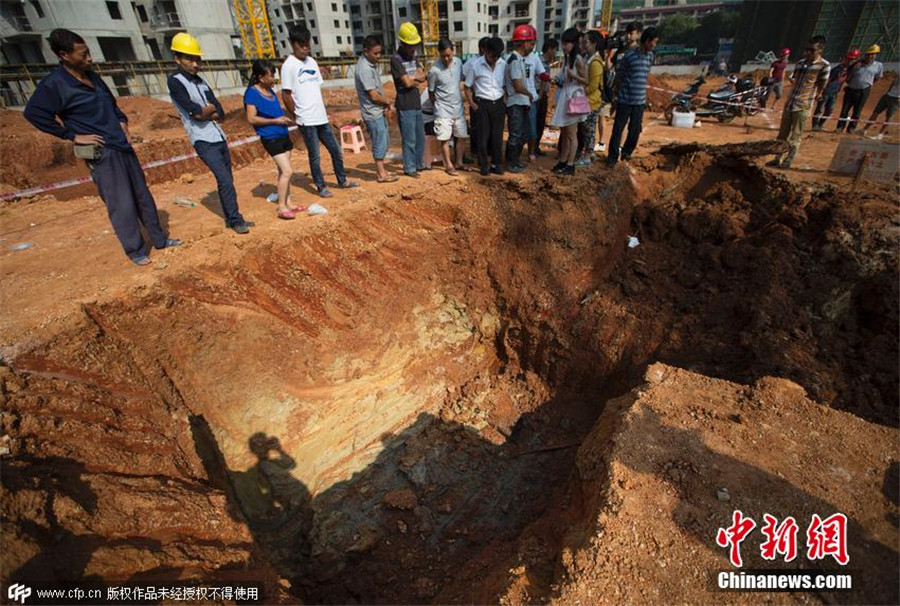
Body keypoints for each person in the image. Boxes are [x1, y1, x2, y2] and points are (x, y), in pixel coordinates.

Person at [24, 28, 179, 265]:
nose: (89, 58)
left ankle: (159, 239)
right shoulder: (54, 85)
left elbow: (112, 103)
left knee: (142, 196)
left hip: (121, 144)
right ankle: (136, 250)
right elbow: (34, 114)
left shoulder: (93, 76)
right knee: (120, 201)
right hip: (101, 152)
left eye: (88, 53)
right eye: (83, 54)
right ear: (64, 55)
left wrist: (122, 121)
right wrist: (72, 135)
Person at [167, 32, 253, 235]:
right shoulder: (176, 81)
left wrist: (207, 111)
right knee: (224, 179)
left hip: (218, 136)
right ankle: (235, 219)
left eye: (197, 59)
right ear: (177, 59)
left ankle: (231, 218)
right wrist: (205, 111)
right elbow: (195, 113)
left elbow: (220, 112)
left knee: (227, 180)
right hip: (202, 139)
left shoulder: (202, 82)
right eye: (190, 59)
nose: (195, 64)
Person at [281, 27, 358, 198]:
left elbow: (316, 90)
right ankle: (321, 186)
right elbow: (286, 95)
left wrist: (324, 112)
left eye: (307, 44)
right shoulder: (289, 66)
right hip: (306, 120)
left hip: (321, 117)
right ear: (293, 44)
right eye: (301, 45)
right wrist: (297, 116)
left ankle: (342, 180)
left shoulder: (312, 62)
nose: (305, 48)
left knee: (336, 150)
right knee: (315, 156)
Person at [244, 61, 303, 220]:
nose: (273, 78)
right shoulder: (252, 93)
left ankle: (288, 202)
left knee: (283, 171)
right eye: (270, 75)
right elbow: (251, 118)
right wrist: (275, 121)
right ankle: (281, 207)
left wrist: (282, 120)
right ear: (260, 77)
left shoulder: (270, 91)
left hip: (283, 134)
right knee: (287, 171)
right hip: (270, 137)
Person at [766, 36, 830, 169]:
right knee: (783, 133)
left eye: (812, 50)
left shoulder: (824, 66)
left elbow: (822, 85)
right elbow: (794, 79)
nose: (808, 53)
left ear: (821, 50)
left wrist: (816, 96)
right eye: (807, 49)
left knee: (795, 134)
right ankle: (777, 158)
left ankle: (789, 159)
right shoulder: (800, 63)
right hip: (790, 102)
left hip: (803, 105)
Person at [606, 27, 658, 168]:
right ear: (647, 41)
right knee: (618, 129)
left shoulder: (650, 57)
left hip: (639, 101)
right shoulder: (629, 56)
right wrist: (615, 96)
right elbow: (619, 77)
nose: (654, 45)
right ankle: (612, 157)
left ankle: (627, 153)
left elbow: (645, 75)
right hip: (625, 100)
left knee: (635, 130)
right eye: (653, 42)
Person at [354, 35, 398, 183]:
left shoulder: (370, 64)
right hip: (372, 112)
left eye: (380, 53)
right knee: (379, 142)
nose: (379, 56)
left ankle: (382, 171)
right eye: (376, 53)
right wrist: (387, 102)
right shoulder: (365, 68)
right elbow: (373, 95)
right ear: (366, 51)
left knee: (383, 140)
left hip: (377, 110)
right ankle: (381, 174)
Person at [464, 37, 507, 176]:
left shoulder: (503, 64)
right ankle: (483, 165)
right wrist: (472, 104)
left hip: (499, 103)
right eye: (492, 55)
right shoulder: (476, 65)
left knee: (497, 136)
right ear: (486, 51)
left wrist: (505, 101)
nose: (495, 59)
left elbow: (506, 85)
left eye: (498, 56)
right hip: (483, 104)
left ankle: (496, 164)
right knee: (483, 137)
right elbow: (467, 86)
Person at [392, 22, 428, 178]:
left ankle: (419, 164)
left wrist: (413, 78)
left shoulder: (414, 57)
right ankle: (409, 167)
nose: (413, 48)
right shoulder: (396, 60)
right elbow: (406, 83)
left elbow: (423, 74)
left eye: (415, 45)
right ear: (402, 43)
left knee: (420, 137)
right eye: (410, 45)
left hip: (416, 102)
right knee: (409, 139)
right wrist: (415, 79)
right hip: (405, 105)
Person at [549, 28, 588, 176]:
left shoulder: (578, 59)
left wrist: (574, 76)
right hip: (566, 96)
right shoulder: (568, 59)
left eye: (567, 43)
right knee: (565, 132)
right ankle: (563, 161)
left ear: (573, 43)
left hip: (574, 97)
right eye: (563, 43)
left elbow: (586, 81)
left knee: (572, 133)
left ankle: (571, 164)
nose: (564, 46)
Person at [427, 39, 468, 176]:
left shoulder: (458, 63)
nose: (446, 58)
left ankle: (459, 162)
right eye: (443, 55)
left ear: (453, 51)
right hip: (443, 110)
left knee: (461, 136)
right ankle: (448, 165)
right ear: (439, 53)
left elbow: (460, 81)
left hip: (458, 109)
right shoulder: (434, 70)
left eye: (449, 55)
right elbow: (431, 92)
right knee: (444, 138)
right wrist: (437, 107)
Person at [505, 25, 537, 174]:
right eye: (531, 43)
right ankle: (511, 163)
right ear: (524, 43)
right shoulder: (515, 61)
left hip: (520, 102)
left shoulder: (518, 60)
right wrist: (530, 94)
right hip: (516, 103)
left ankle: (515, 161)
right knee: (515, 135)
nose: (532, 46)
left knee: (521, 134)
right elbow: (518, 85)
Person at [576, 30, 607, 166]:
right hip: (586, 100)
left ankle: (587, 155)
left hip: (591, 101)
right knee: (586, 128)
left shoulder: (595, 62)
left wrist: (578, 92)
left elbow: (593, 86)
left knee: (588, 129)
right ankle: (589, 153)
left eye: (586, 42)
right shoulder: (588, 59)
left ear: (594, 44)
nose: (583, 44)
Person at [836, 44, 883, 134]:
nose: (870, 56)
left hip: (863, 91)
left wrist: (868, 84)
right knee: (845, 110)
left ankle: (851, 128)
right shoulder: (857, 64)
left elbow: (877, 78)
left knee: (857, 111)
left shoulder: (879, 66)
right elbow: (848, 76)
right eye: (868, 54)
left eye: (872, 54)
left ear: (876, 55)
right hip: (851, 90)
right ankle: (840, 127)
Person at [812, 49, 858, 131]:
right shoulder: (837, 69)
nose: (851, 61)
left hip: (834, 93)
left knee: (829, 110)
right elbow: (827, 80)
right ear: (845, 59)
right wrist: (821, 91)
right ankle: (815, 126)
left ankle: (820, 124)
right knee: (820, 109)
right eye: (850, 59)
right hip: (826, 91)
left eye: (853, 59)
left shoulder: (849, 70)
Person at [522, 27, 546, 161]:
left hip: (531, 99)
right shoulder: (514, 57)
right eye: (529, 43)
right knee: (518, 128)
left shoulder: (535, 59)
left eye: (533, 44)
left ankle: (531, 151)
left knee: (532, 129)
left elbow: (543, 76)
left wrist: (540, 94)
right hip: (517, 99)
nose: (531, 46)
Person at [534, 38, 558, 157]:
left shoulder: (548, 63)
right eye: (554, 50)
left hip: (544, 94)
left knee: (541, 122)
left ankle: (536, 146)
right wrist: (539, 94)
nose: (556, 52)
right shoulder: (538, 61)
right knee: (535, 121)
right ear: (549, 49)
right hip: (538, 93)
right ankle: (532, 148)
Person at [861, 73, 898, 140]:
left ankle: (880, 135)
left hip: (896, 99)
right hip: (888, 95)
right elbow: (894, 81)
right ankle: (864, 130)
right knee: (875, 112)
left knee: (889, 117)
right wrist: (888, 91)